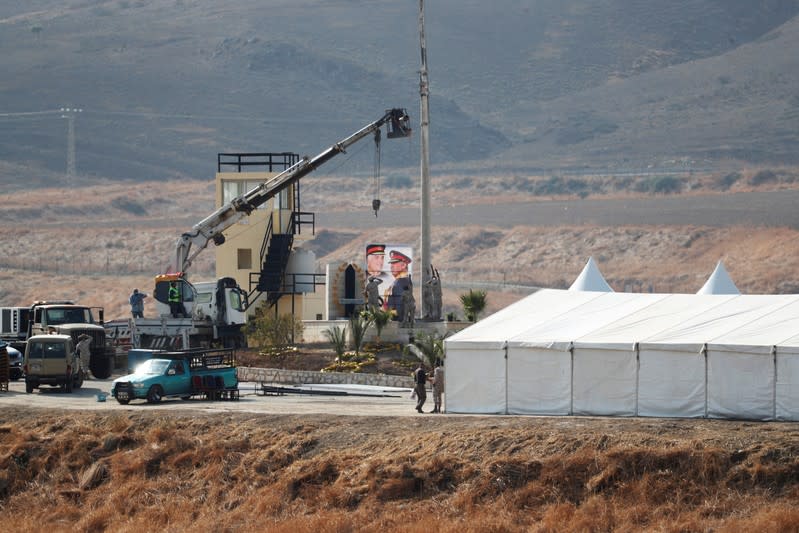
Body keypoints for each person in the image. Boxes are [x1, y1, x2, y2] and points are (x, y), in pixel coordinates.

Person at [384, 250, 412, 319]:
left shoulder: (401, 282)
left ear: (403, 265)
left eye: (394, 263)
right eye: (391, 263)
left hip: (396, 324)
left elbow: (400, 311)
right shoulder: (400, 281)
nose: (391, 266)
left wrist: (384, 313)